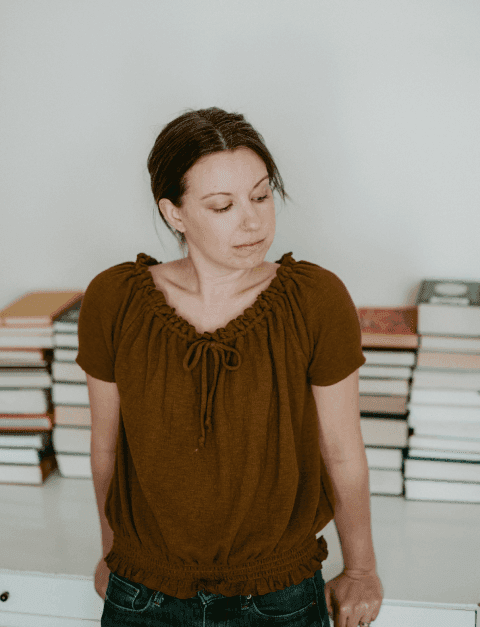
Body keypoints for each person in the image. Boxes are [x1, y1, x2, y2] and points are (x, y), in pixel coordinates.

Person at [77, 106, 384, 626]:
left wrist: (360, 571)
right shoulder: (115, 299)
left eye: (262, 196)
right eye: (223, 206)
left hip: (279, 595)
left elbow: (342, 451)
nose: (253, 220)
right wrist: (113, 552)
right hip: (141, 592)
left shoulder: (315, 300)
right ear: (174, 213)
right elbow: (107, 446)